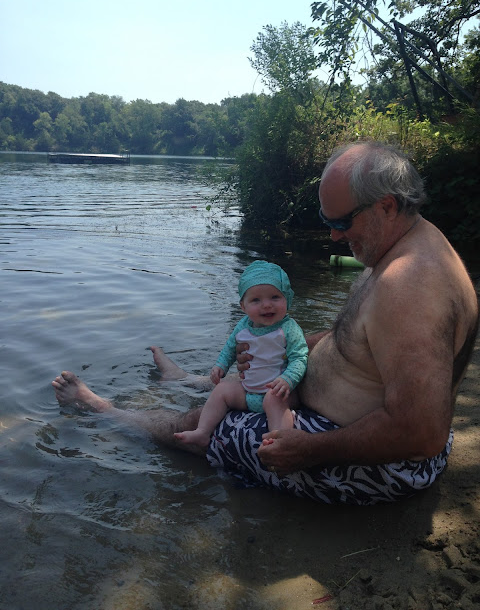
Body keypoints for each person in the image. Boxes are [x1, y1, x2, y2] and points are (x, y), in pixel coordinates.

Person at [52, 141, 479, 505]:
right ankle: (189, 379)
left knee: (195, 424)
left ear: (386, 206)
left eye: (340, 222)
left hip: (384, 466)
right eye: (327, 222)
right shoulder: (406, 248)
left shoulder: (410, 284)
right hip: (341, 423)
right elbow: (354, 340)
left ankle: (103, 410)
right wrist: (279, 346)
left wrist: (309, 449)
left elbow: (419, 431)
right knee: (236, 383)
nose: (333, 236)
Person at [173, 260, 308, 446]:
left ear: (287, 299)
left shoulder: (288, 328)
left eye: (275, 297)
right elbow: (229, 348)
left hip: (279, 392)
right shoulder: (243, 326)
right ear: (243, 306)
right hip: (248, 392)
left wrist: (288, 379)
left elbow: (300, 357)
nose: (267, 305)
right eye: (256, 300)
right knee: (221, 390)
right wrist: (220, 366)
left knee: (274, 400)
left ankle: (279, 439)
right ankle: (202, 432)